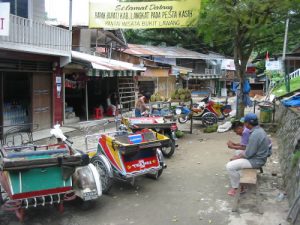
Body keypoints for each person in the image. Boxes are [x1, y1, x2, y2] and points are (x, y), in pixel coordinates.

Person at [226, 113, 270, 196]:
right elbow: (248, 149)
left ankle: (238, 188)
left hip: (256, 160)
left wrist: (237, 158)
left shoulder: (255, 134)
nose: (244, 125)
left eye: (245, 123)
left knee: (229, 166)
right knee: (237, 156)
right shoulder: (258, 130)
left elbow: (248, 153)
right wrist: (238, 155)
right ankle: (238, 179)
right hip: (258, 157)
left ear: (247, 124)